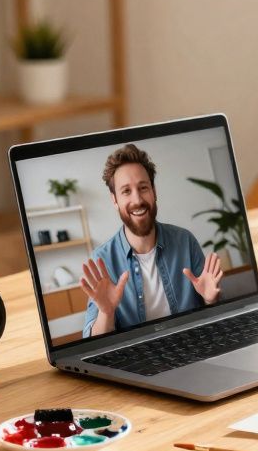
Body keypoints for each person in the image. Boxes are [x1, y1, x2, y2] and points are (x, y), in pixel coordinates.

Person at [80, 143, 223, 336]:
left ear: (154, 191)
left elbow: (216, 320)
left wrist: (210, 300)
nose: (137, 200)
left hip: (192, 346)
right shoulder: (102, 259)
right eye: (126, 191)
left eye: (143, 187)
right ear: (114, 200)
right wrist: (106, 313)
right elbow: (91, 341)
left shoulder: (185, 241)